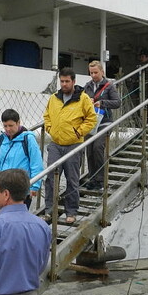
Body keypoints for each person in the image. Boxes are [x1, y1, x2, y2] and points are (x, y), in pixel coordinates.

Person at [42, 67, 97, 224]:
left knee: (72, 179)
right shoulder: (54, 98)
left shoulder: (83, 98)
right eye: (62, 81)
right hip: (55, 144)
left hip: (74, 145)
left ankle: (71, 211)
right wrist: (50, 128)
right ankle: (49, 210)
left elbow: (91, 119)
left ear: (73, 81)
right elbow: (47, 116)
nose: (64, 84)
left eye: (67, 81)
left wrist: (79, 132)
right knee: (51, 177)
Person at [0, 109, 44, 208]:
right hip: (3, 186)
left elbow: (36, 163)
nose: (8, 129)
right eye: (5, 126)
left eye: (11, 126)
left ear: (18, 123)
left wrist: (34, 186)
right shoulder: (0, 139)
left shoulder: (28, 139)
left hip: (21, 188)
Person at [83, 60, 122, 190]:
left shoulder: (109, 86)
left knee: (98, 148)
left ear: (102, 72)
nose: (93, 75)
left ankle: (100, 180)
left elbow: (117, 102)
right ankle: (92, 178)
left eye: (95, 72)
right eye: (91, 73)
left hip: (105, 121)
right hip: (91, 122)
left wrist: (102, 103)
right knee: (89, 151)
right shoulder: (87, 86)